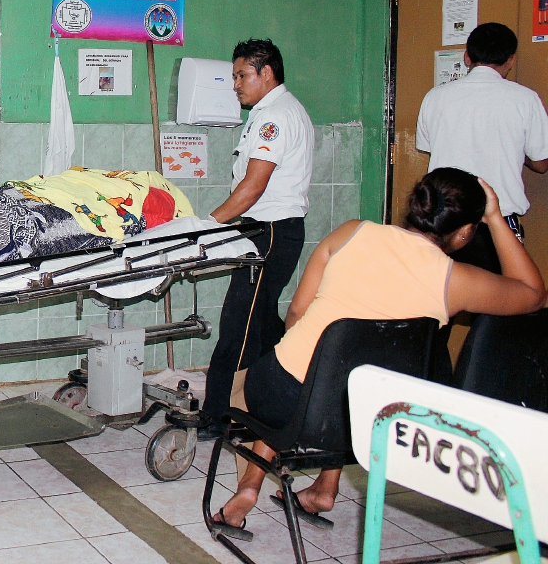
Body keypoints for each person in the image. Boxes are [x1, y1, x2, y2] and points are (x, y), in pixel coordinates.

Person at [212, 169, 546, 534]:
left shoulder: (352, 232)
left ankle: (249, 489)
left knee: (305, 375)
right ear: (466, 231)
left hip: (284, 398)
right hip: (375, 420)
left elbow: (295, 316)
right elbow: (533, 294)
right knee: (348, 380)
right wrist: (496, 218)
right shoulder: (456, 282)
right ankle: (325, 487)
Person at [200, 39, 314, 439]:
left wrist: (205, 226)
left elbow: (252, 188)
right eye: (234, 76)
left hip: (268, 232)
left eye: (241, 75)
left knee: (239, 326)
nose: (235, 84)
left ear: (267, 72)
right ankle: (282, 404)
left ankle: (220, 416)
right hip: (270, 231)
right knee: (264, 325)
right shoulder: (272, 112)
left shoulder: (276, 117)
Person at [416, 22, 548, 273]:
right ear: (511, 60)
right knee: (497, 301)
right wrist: (518, 152)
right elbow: (541, 163)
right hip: (496, 224)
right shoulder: (525, 99)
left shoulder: (435, 97)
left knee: (442, 299)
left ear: (467, 56)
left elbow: (427, 146)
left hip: (444, 220)